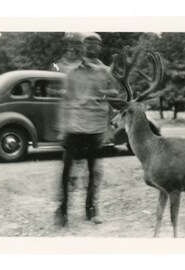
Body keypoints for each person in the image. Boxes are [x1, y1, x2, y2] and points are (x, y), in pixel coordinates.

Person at [56, 32, 119, 227]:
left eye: (96, 43)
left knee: (94, 172)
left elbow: (113, 101)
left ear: (100, 47)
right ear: (81, 47)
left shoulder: (107, 73)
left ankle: (91, 210)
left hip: (95, 128)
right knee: (66, 172)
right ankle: (63, 210)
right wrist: (62, 128)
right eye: (87, 42)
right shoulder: (71, 72)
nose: (91, 46)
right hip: (74, 127)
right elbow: (65, 101)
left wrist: (109, 129)